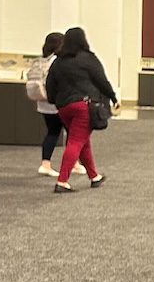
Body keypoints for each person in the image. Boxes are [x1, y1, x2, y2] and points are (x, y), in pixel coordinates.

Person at [45, 26, 116, 193]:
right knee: (76, 142)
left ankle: (94, 176)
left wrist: (55, 101)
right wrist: (112, 97)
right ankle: (62, 181)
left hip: (64, 107)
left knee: (82, 140)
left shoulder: (58, 61)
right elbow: (101, 80)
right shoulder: (88, 58)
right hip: (83, 106)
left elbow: (50, 84)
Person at [25, 31, 83, 178]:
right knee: (72, 133)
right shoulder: (57, 61)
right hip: (57, 103)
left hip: (43, 102)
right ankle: (73, 163)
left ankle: (46, 163)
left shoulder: (41, 60)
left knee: (52, 132)